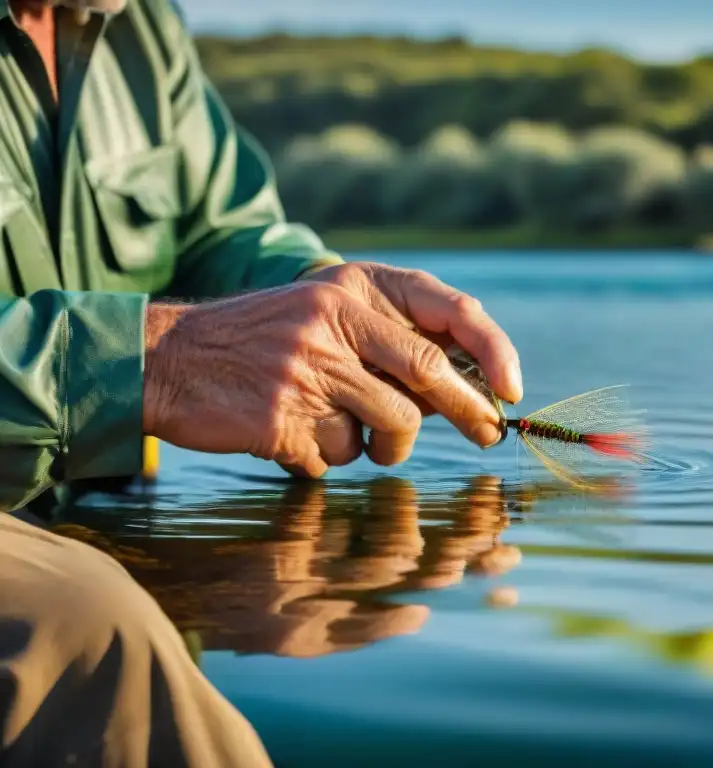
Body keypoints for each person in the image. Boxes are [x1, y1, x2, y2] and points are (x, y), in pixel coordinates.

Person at [0, 0, 522, 765]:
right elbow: (160, 354)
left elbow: (220, 228)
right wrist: (158, 363)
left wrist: (326, 304)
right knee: (89, 629)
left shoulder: (141, 23)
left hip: (80, 502)